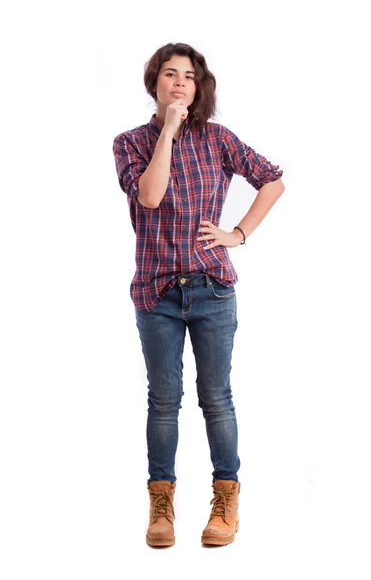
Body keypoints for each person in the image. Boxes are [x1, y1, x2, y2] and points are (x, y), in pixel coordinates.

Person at [113, 42, 285, 548]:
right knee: (163, 401)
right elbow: (150, 195)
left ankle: (226, 500)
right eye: (170, 74)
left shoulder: (217, 139)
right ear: (155, 83)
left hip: (212, 289)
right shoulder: (130, 142)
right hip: (156, 291)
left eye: (189, 75)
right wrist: (167, 129)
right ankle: (161, 506)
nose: (180, 82)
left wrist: (238, 233)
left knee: (216, 398)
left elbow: (272, 180)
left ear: (199, 84)